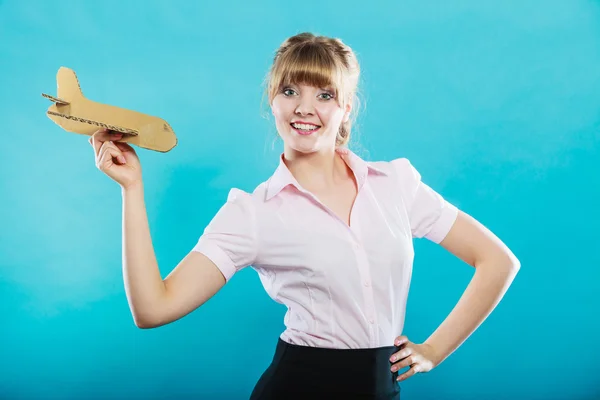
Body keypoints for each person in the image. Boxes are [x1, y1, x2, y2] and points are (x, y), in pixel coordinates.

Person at [89, 32, 521, 400]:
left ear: (346, 107)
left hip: (380, 388)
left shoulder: (396, 186)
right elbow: (153, 308)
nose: (304, 108)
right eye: (290, 91)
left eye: (325, 94)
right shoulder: (252, 213)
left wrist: (435, 349)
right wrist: (132, 189)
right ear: (272, 102)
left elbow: (498, 261)